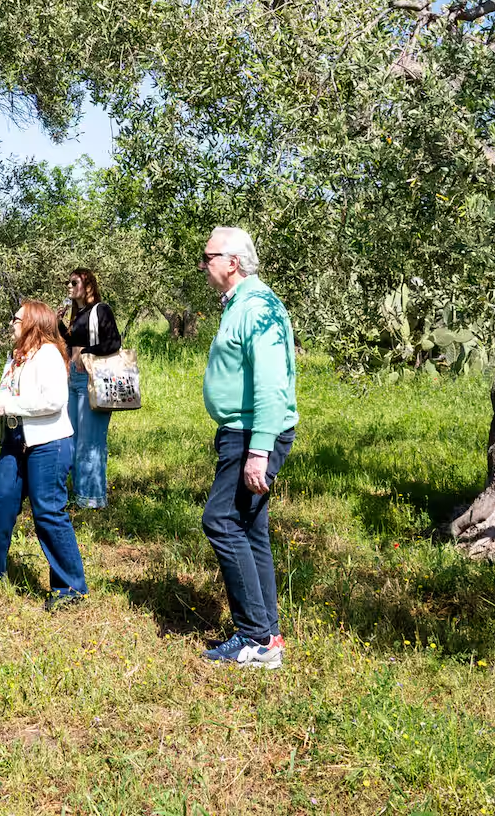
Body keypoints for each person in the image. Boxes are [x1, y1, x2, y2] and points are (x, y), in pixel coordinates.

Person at [196, 227, 298, 670]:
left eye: (208, 257)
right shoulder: (241, 305)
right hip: (241, 432)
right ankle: (267, 634)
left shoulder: (258, 308)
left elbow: (274, 385)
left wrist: (259, 450)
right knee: (250, 528)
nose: (203, 265)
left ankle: (254, 637)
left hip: (252, 434)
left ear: (231, 262)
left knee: (219, 520)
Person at [0, 299, 88, 610]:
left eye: (18, 318)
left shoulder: (49, 354)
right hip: (15, 439)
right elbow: (9, 390)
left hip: (49, 443)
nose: (12, 322)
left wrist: (8, 405)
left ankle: (70, 588)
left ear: (34, 322)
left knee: (48, 513)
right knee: (0, 502)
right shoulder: (16, 356)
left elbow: (53, 400)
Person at [60, 268, 121, 509]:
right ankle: (79, 494)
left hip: (91, 379)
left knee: (90, 440)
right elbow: (71, 342)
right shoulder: (79, 314)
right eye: (68, 282)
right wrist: (58, 324)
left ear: (88, 286)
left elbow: (113, 342)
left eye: (74, 282)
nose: (69, 286)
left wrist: (86, 353)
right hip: (74, 379)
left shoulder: (100, 309)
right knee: (72, 438)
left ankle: (92, 499)